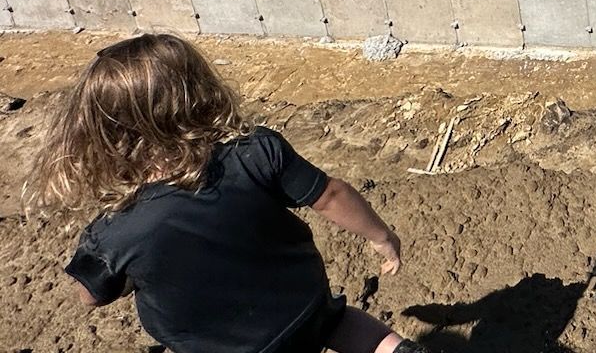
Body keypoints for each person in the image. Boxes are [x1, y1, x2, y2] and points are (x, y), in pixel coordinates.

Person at [27, 33, 422, 353]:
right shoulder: (255, 151)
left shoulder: (114, 232)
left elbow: (90, 295)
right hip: (302, 306)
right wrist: (381, 237)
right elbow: (331, 195)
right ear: (198, 90)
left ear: (105, 132)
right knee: (339, 322)